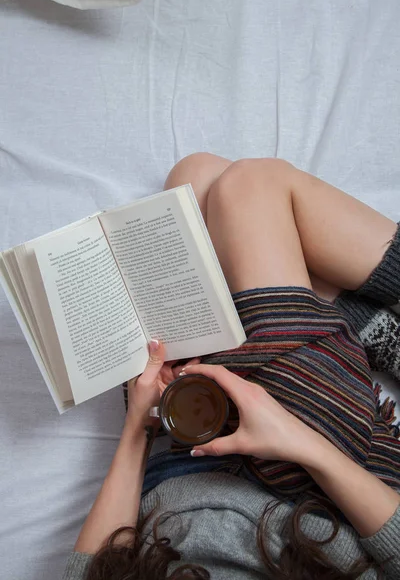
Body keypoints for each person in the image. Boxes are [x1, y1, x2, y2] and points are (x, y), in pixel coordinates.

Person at [63, 155, 400, 580]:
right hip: (314, 473)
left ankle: (360, 326)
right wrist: (296, 440)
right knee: (251, 184)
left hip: (188, 438)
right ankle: (372, 334)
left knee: (193, 183)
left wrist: (139, 427)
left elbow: (97, 568)